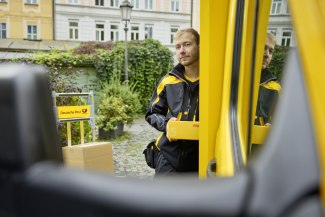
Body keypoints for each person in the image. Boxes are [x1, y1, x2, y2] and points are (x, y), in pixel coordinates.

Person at [145, 28, 200, 175]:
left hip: (201, 158)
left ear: (199, 46)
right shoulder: (167, 81)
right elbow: (152, 113)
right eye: (177, 46)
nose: (181, 51)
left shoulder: (214, 82)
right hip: (169, 156)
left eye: (187, 44)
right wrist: (166, 124)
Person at [255, 32, 281, 126]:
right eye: (263, 48)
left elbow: (280, 121)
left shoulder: (275, 87)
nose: (267, 55)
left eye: (270, 51)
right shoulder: (235, 78)